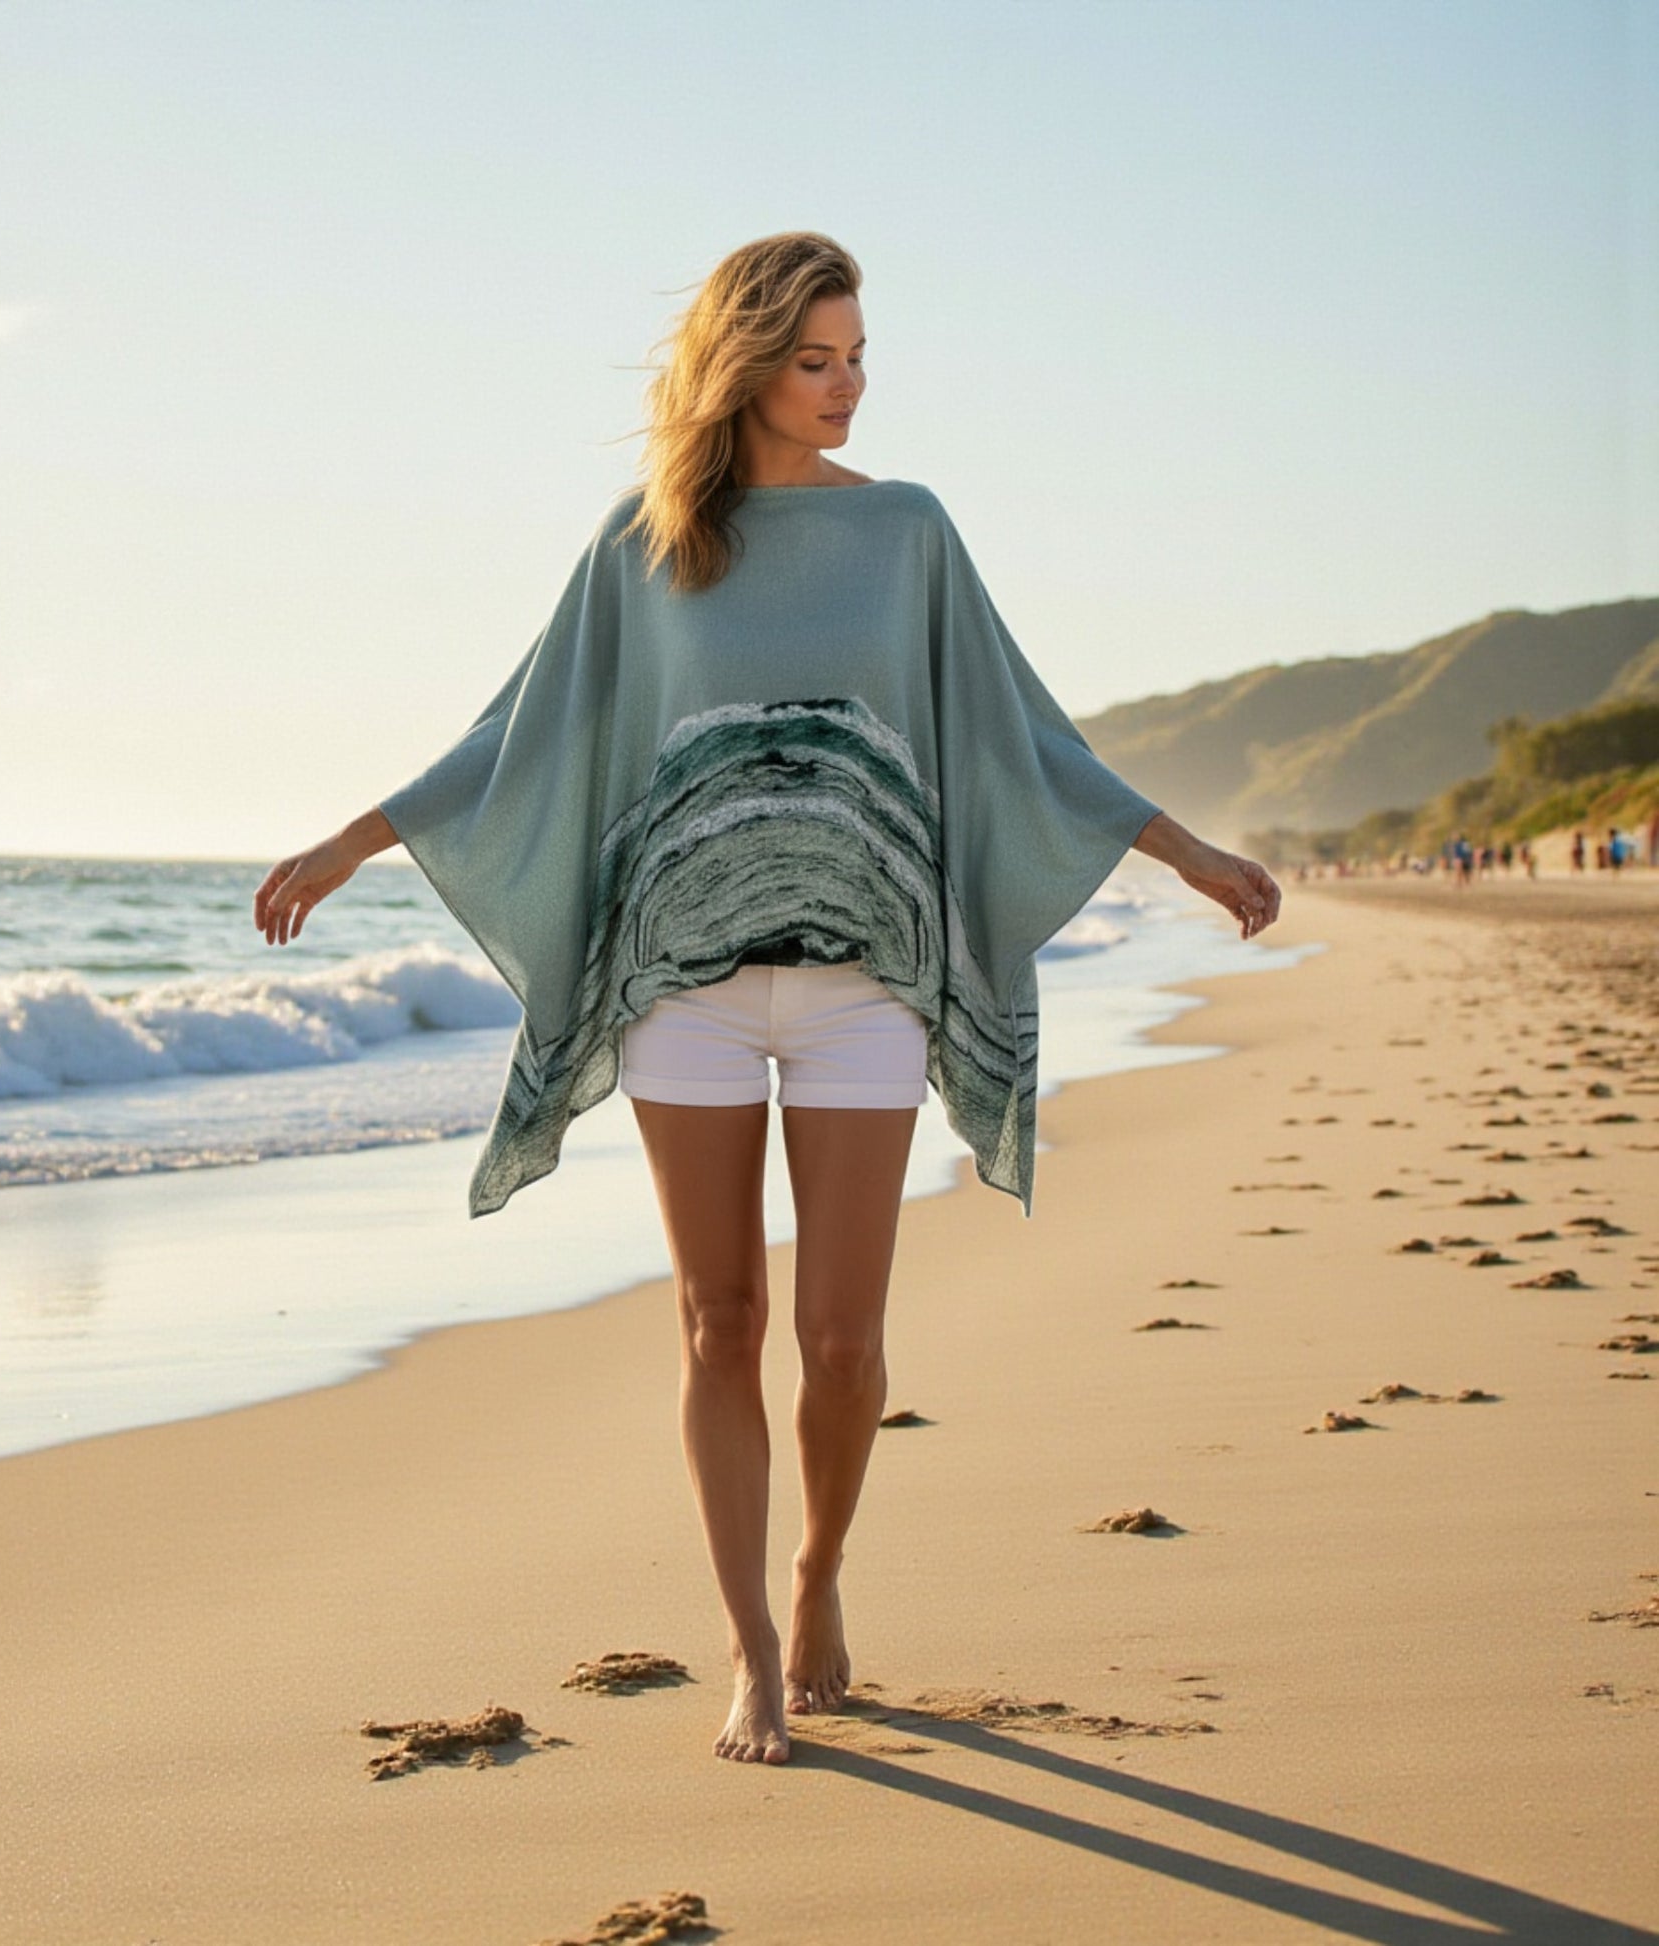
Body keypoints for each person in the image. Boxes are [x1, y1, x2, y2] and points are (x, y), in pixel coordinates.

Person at [252, 233, 1281, 1766]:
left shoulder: (911, 534)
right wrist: (351, 840)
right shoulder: (647, 543)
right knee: (716, 1319)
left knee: (844, 1342)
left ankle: (817, 1574)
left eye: (859, 355)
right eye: (818, 359)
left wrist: (1183, 847)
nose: (847, 384)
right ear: (742, 363)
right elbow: (515, 735)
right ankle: (746, 1646)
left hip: (865, 985)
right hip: (691, 993)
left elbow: (1018, 730)